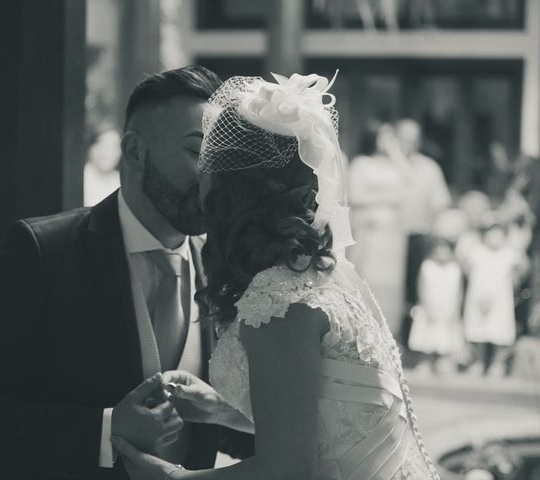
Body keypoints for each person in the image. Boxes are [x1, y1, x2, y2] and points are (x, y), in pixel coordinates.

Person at [112, 73, 440, 479]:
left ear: (231, 185)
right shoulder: (327, 272)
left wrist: (172, 478)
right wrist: (221, 410)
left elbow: (286, 472)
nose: (201, 177)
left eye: (207, 159)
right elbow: (335, 419)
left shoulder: (278, 299)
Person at [0, 66, 252, 480]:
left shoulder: (224, 266)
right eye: (197, 153)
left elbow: (217, 430)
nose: (213, 178)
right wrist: (105, 430)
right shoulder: (41, 251)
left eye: (220, 160)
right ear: (135, 152)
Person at [348, 122, 409, 336]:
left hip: (392, 232)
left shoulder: (394, 165)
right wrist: (387, 199)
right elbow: (356, 195)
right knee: (369, 276)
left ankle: (390, 330)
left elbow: (407, 185)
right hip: (370, 228)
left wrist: (396, 153)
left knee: (391, 281)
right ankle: (364, 328)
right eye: (384, 137)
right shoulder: (361, 164)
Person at [396, 119, 451, 346]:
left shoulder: (429, 168)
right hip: (386, 239)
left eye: (413, 138)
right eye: (403, 138)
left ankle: (411, 342)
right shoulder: (383, 166)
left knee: (414, 291)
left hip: (417, 234)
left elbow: (440, 203)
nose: (408, 143)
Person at [463, 219, 527, 376]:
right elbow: (466, 267)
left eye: (498, 233)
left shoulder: (509, 253)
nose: (494, 237)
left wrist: (515, 279)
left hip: (500, 299)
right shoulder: (477, 250)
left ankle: (497, 364)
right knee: (477, 331)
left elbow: (523, 267)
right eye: (490, 233)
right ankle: (477, 362)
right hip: (478, 297)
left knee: (500, 331)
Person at [408, 237, 464, 374]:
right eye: (438, 250)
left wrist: (456, 309)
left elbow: (459, 291)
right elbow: (421, 287)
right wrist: (426, 307)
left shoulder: (455, 269)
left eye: (445, 250)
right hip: (429, 308)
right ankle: (425, 362)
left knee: (445, 337)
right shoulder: (427, 266)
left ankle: (443, 362)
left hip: (448, 309)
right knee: (426, 337)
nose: (442, 253)